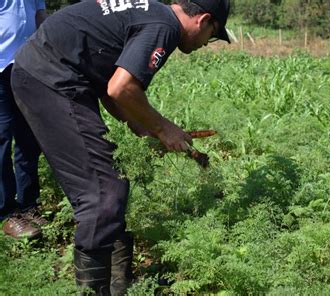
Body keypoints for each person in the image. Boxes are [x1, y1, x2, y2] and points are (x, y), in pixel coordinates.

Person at [11, 0, 230, 294]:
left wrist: (145, 128)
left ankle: (119, 284)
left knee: (110, 184)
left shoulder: (149, 12)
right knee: (104, 193)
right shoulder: (164, 27)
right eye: (213, 36)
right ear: (203, 20)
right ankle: (94, 290)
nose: (207, 44)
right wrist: (164, 127)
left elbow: (110, 85)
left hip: (49, 73)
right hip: (50, 79)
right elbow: (122, 87)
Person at [0, 0, 48, 239]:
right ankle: (7, 213)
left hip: (27, 68)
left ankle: (29, 205)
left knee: (29, 139)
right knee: (1, 139)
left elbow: (40, 17)